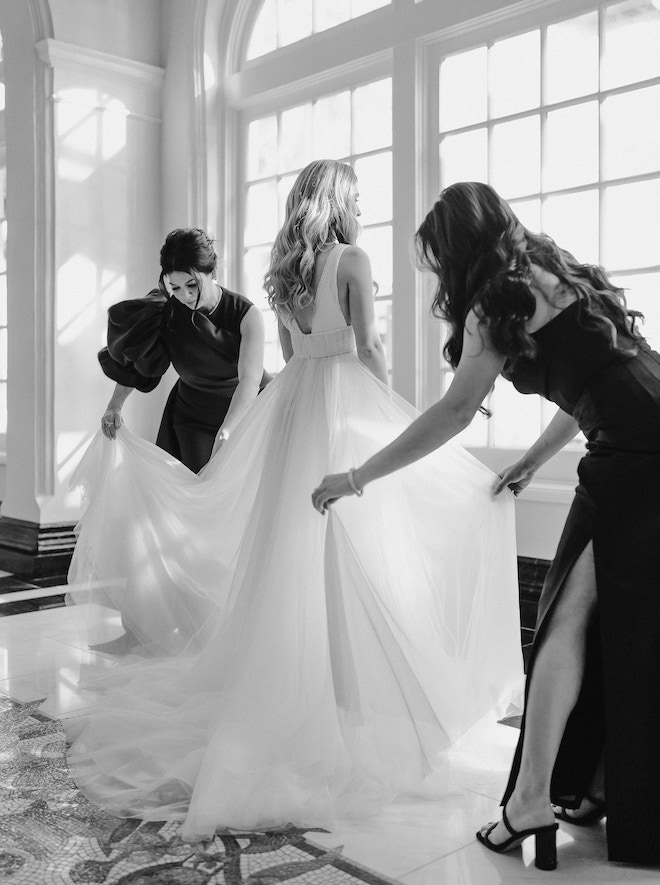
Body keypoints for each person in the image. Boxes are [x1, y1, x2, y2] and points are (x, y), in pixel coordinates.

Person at [65, 162, 522, 840]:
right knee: (366, 553)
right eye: (358, 197)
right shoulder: (354, 259)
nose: (363, 207)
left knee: (294, 559)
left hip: (296, 415)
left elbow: (289, 352)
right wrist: (390, 411)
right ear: (340, 203)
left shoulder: (284, 272)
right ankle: (346, 699)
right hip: (344, 412)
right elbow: (367, 347)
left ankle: (312, 688)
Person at [313, 180, 660, 869]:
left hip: (634, 454)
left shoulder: (491, 304)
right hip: (646, 424)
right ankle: (591, 786)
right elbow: (603, 378)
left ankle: (532, 798)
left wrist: (354, 478)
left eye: (438, 259)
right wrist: (531, 460)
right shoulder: (556, 270)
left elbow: (452, 413)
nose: (439, 275)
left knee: (563, 615)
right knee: (623, 620)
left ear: (456, 250)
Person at [99, 227, 269, 473]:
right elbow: (135, 364)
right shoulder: (165, 311)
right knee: (197, 494)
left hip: (244, 412)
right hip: (191, 417)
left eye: (192, 284)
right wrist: (114, 405)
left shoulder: (245, 315)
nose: (186, 295)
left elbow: (250, 381)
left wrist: (229, 430)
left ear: (212, 273)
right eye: (175, 287)